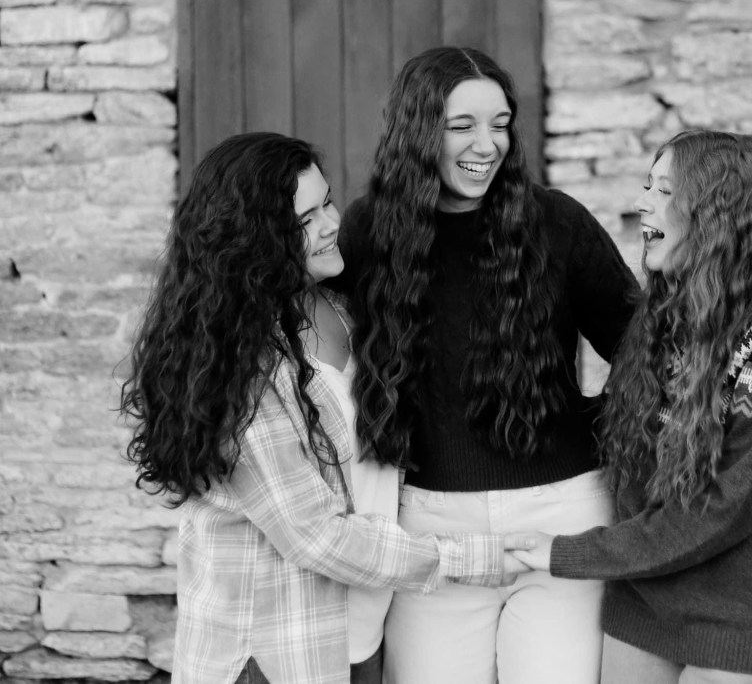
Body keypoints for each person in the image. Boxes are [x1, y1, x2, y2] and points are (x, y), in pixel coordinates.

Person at [119, 132, 530, 684]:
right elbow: (317, 536)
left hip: (358, 634)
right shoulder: (237, 369)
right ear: (254, 241)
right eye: (304, 220)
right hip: (274, 653)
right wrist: (472, 558)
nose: (331, 223)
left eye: (327, 202)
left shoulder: (341, 307)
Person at [512, 130, 752, 683]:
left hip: (746, 620)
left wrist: (572, 553)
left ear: (716, 211)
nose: (643, 203)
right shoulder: (667, 317)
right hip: (646, 604)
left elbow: (724, 508)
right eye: (646, 186)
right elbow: (625, 454)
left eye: (665, 190)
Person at [326, 47, 638, 684]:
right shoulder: (367, 234)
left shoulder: (558, 222)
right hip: (430, 532)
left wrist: (597, 423)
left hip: (560, 520)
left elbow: (643, 347)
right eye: (462, 125)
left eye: (500, 124)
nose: (487, 144)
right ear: (419, 129)